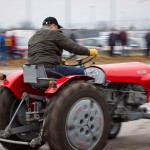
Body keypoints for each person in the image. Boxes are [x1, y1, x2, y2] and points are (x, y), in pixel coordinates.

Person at [28, 17, 98, 76]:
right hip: (49, 70)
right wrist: (89, 52)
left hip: (33, 72)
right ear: (53, 26)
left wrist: (58, 61)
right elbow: (73, 47)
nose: (59, 29)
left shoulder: (33, 37)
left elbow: (42, 53)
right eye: (57, 27)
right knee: (85, 72)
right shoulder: (53, 33)